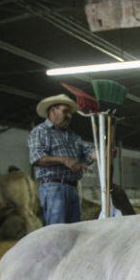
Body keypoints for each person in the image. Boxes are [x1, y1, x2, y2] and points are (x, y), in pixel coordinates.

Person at [28, 94, 96, 225]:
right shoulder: (40, 131)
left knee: (74, 230)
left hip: (73, 188)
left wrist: (104, 152)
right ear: (53, 110)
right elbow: (37, 158)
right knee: (57, 231)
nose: (69, 116)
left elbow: (88, 152)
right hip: (54, 187)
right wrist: (64, 160)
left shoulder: (74, 137)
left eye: (70, 113)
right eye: (65, 111)